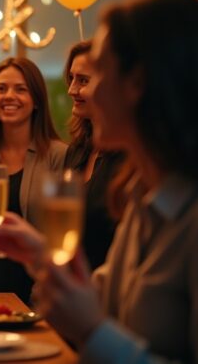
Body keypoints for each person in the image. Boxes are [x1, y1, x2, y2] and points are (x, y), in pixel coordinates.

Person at [0, 0, 198, 362]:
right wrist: (40, 257)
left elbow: (95, 320)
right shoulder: (142, 202)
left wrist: (91, 332)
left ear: (137, 83)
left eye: (97, 72)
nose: (79, 92)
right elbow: (103, 300)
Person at [0, 56, 66, 303]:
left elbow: (58, 233)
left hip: (39, 288)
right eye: (1, 89)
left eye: (21, 89)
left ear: (37, 100)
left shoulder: (59, 156)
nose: (9, 96)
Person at [62, 41, 123, 270]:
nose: (71, 90)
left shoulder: (131, 158)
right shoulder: (77, 150)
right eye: (72, 79)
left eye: (83, 80)